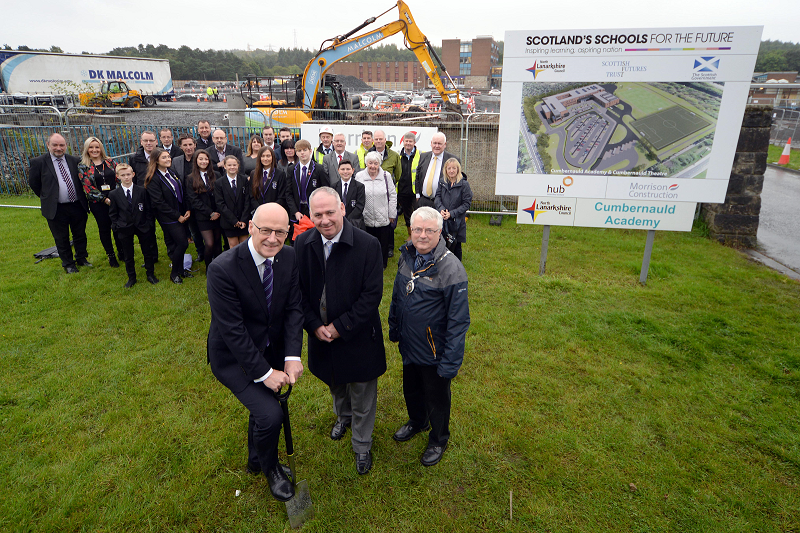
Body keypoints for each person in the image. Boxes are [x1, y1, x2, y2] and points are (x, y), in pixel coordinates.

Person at [206, 203, 304, 503]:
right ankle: (271, 468)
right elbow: (232, 330)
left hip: (271, 349)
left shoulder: (289, 257)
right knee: (271, 414)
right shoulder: (222, 268)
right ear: (250, 227)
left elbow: (293, 309)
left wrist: (291, 355)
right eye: (265, 230)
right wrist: (264, 373)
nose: (273, 239)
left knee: (263, 409)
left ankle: (255, 457)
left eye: (280, 232)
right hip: (233, 358)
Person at [295, 187, 386, 475]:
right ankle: (342, 418)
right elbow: (297, 293)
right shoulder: (302, 244)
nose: (324, 220)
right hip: (321, 336)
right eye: (318, 214)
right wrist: (314, 326)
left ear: (343, 209)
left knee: (361, 391)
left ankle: (362, 443)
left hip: (358, 336)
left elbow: (371, 296)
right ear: (310, 215)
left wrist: (340, 327)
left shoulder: (368, 245)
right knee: (335, 382)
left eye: (330, 212)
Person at [388, 206, 470, 467]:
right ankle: (417, 421)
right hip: (409, 344)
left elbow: (459, 321)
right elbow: (398, 294)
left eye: (429, 230)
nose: (422, 235)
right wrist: (394, 326)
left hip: (435, 351)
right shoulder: (406, 255)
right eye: (417, 230)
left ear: (440, 232)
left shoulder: (451, 268)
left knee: (436, 396)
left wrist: (450, 362)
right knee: (411, 388)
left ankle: (438, 438)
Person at [28, 132, 91, 274]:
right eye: (55, 145)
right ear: (48, 145)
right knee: (61, 237)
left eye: (61, 145)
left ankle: (82, 258)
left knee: (80, 234)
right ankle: (68, 264)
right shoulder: (38, 162)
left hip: (77, 205)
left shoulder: (74, 160)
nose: (58, 148)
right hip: (56, 208)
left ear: (66, 146)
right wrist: (48, 197)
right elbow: (34, 184)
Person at [144, 148, 191, 284]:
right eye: (164, 157)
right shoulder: (153, 178)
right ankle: (174, 273)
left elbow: (181, 191)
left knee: (180, 243)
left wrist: (186, 209)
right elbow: (159, 203)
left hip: (180, 213)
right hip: (168, 217)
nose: (168, 159)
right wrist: (177, 216)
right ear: (156, 160)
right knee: (182, 243)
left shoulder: (171, 172)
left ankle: (181, 270)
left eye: (168, 157)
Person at [107, 163, 159, 287]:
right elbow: (113, 213)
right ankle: (131, 277)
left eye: (128, 174)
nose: (126, 177)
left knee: (147, 251)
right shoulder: (114, 194)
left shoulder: (141, 190)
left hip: (142, 225)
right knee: (128, 254)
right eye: (123, 175)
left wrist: (149, 224)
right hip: (124, 227)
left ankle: (150, 274)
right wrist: (117, 226)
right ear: (118, 176)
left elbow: (148, 209)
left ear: (133, 174)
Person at [78, 136, 123, 268]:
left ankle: (121, 252)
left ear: (101, 148)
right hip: (99, 204)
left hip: (115, 201)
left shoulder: (110, 162)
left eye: (97, 147)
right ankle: (111, 255)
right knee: (104, 229)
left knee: (118, 227)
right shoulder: (83, 166)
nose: (94, 150)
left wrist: (118, 196)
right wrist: (105, 199)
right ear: (87, 149)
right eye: (91, 147)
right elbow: (88, 188)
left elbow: (119, 178)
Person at [355, 151, 396, 269]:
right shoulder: (359, 176)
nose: (373, 166)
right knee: (367, 242)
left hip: (383, 216)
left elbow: (392, 195)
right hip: (365, 217)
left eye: (376, 163)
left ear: (380, 164)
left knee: (383, 243)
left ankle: (382, 264)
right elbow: (357, 195)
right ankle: (368, 263)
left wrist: (392, 214)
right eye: (370, 163)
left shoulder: (386, 176)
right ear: (366, 163)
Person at [185, 150, 221, 270]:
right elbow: (194, 200)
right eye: (201, 159)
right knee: (209, 244)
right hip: (203, 217)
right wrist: (210, 213)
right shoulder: (190, 179)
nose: (204, 161)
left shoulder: (216, 175)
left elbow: (220, 195)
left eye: (206, 159)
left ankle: (219, 267)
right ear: (196, 161)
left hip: (218, 214)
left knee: (217, 243)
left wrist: (217, 212)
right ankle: (208, 267)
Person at [173, 134, 205, 264]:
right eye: (185, 145)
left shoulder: (202, 158)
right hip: (186, 202)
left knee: (206, 229)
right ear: (180, 146)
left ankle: (211, 250)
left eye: (190, 144)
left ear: (195, 145)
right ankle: (200, 252)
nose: (188, 147)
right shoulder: (176, 161)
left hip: (202, 200)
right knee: (194, 230)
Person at [435, 158, 473, 262]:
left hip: (457, 221)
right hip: (443, 219)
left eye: (454, 168)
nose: (451, 170)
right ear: (445, 170)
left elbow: (466, 204)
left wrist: (451, 214)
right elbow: (437, 197)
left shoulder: (464, 184)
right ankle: (443, 264)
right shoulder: (442, 182)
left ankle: (457, 267)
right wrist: (441, 209)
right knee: (442, 243)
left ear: (458, 169)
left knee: (456, 245)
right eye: (449, 168)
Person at [286, 139, 329, 223]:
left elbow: (325, 190)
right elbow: (288, 193)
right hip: (298, 210)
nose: (302, 153)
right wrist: (295, 211)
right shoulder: (291, 169)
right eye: (299, 150)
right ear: (296, 153)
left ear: (310, 151)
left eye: (305, 150)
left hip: (314, 209)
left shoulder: (319, 169)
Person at [415, 132, 460, 208]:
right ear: (431, 143)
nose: (436, 146)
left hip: (442, 204)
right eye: (434, 143)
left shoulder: (452, 160)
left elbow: (457, 182)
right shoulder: (423, 156)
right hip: (423, 201)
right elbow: (418, 176)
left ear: (445, 144)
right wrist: (417, 195)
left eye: (439, 144)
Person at [214, 155, 250, 248]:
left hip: (243, 219)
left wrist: (243, 219)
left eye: (234, 165)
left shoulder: (244, 180)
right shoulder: (219, 183)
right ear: (225, 166)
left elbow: (247, 200)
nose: (232, 167)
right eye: (229, 165)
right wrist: (234, 220)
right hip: (229, 221)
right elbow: (220, 204)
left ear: (238, 165)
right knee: (233, 245)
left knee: (244, 245)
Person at [247, 146, 289, 217]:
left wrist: (270, 210)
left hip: (275, 213)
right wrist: (260, 209)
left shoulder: (280, 174)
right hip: (259, 213)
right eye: (263, 156)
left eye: (268, 156)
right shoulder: (253, 174)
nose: (265, 159)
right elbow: (252, 196)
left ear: (272, 157)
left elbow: (282, 197)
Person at [397, 131, 423, 238]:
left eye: (410, 141)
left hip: (415, 191)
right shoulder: (398, 155)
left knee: (417, 214)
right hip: (402, 190)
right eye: (406, 141)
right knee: (407, 214)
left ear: (414, 142)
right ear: (403, 142)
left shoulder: (421, 154)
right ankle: (410, 235)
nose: (408, 143)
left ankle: (418, 234)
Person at [331, 160, 364, 230]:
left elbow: (360, 206)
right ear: (338, 170)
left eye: (348, 169)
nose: (345, 172)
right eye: (342, 169)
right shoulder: (333, 187)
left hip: (355, 222)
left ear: (353, 170)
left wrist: (346, 220)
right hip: (338, 221)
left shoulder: (359, 186)